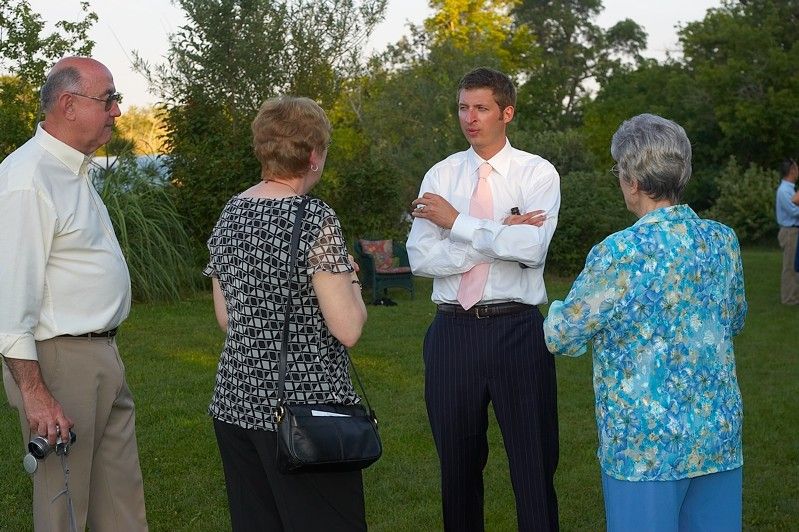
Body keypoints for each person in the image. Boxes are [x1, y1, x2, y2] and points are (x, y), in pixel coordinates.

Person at [543, 114, 748, 532]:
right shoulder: (722, 240)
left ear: (632, 181)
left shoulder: (620, 252)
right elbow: (734, 317)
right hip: (716, 433)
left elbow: (562, 336)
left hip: (644, 443)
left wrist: (556, 309)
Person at [407, 67, 561, 531]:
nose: (469, 118)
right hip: (452, 332)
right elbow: (419, 257)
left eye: (481, 108)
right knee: (457, 468)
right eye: (462, 108)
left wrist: (456, 222)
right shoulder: (441, 174)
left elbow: (532, 252)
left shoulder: (537, 173)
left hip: (518, 329)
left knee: (533, 466)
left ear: (506, 112)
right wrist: (493, 236)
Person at [205, 96, 368, 531]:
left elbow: (227, 318)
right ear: (314, 155)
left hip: (236, 402)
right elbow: (348, 328)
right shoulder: (315, 218)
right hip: (307, 414)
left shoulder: (230, 213)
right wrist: (351, 280)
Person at [0, 57, 148, 530]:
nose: (118, 112)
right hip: (59, 362)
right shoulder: (29, 179)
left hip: (101, 354)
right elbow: (8, 303)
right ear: (68, 104)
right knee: (63, 507)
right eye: (109, 100)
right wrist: (35, 393)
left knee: (121, 503)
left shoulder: (72, 171)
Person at [776, 157, 799, 304]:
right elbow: (793, 211)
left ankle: (795, 295)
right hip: (790, 232)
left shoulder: (790, 189)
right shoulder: (784, 190)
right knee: (790, 266)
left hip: (794, 231)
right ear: (792, 170)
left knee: (795, 265)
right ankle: (789, 298)